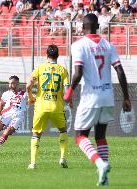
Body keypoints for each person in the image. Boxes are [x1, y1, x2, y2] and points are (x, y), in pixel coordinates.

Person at [63, 13, 131, 186]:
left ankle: (100, 164)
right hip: (107, 96)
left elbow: (78, 72)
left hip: (90, 98)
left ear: (82, 27)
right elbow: (120, 71)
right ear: (98, 26)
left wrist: (70, 91)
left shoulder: (78, 45)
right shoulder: (108, 45)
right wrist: (126, 97)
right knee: (100, 136)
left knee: (80, 135)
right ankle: (104, 177)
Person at [26, 45, 70, 170]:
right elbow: (67, 89)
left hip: (41, 106)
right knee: (62, 130)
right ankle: (62, 158)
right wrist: (68, 100)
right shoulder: (62, 70)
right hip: (57, 106)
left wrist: (30, 97)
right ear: (58, 55)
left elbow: (28, 85)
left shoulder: (40, 68)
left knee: (36, 134)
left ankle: (33, 163)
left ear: (46, 55)